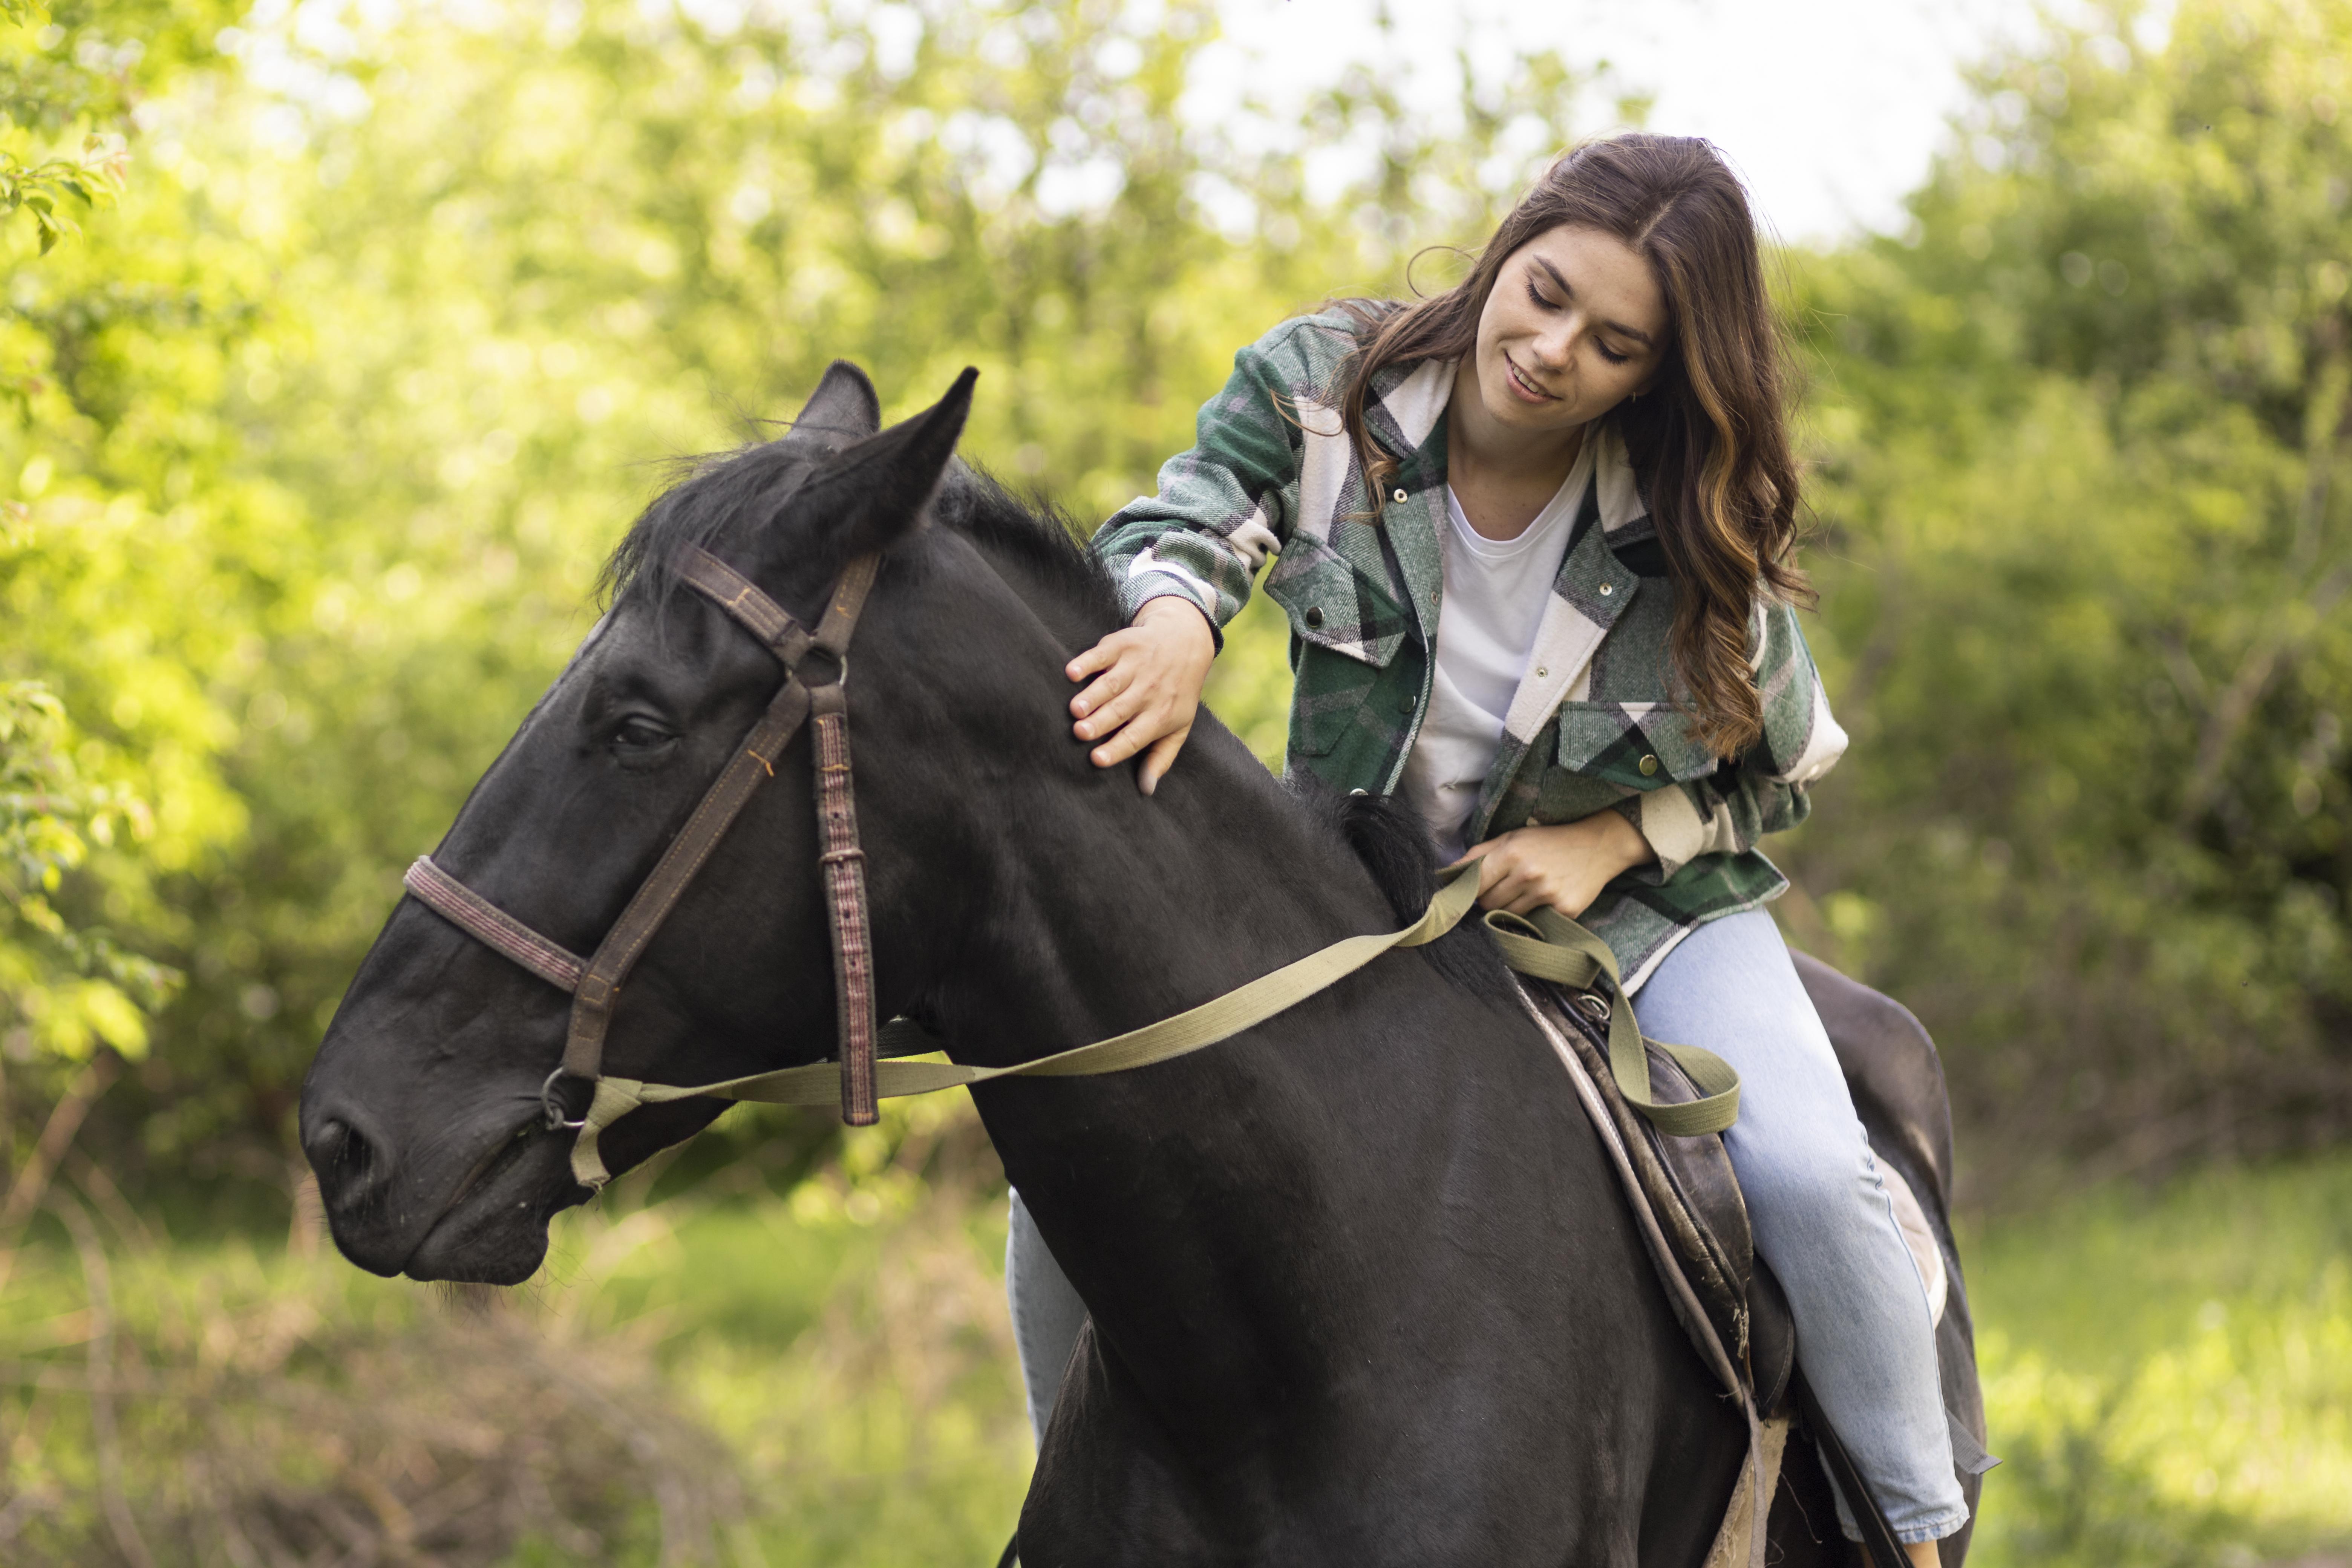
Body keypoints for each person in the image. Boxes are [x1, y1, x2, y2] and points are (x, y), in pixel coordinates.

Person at [1007, 134, 1966, 1560]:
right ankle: (1078, 1511)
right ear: (1509, 250)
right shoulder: (1328, 387)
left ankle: (1913, 1525)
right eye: (1545, 292)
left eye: (1613, 341)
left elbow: (1783, 779)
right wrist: (1173, 616)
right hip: (1348, 907)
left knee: (1816, 1181)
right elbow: (1196, 509)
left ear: (1655, 374)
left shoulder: (1686, 525)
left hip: (1646, 926)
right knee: (1065, 1177)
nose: (1552, 348)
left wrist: (1608, 841)